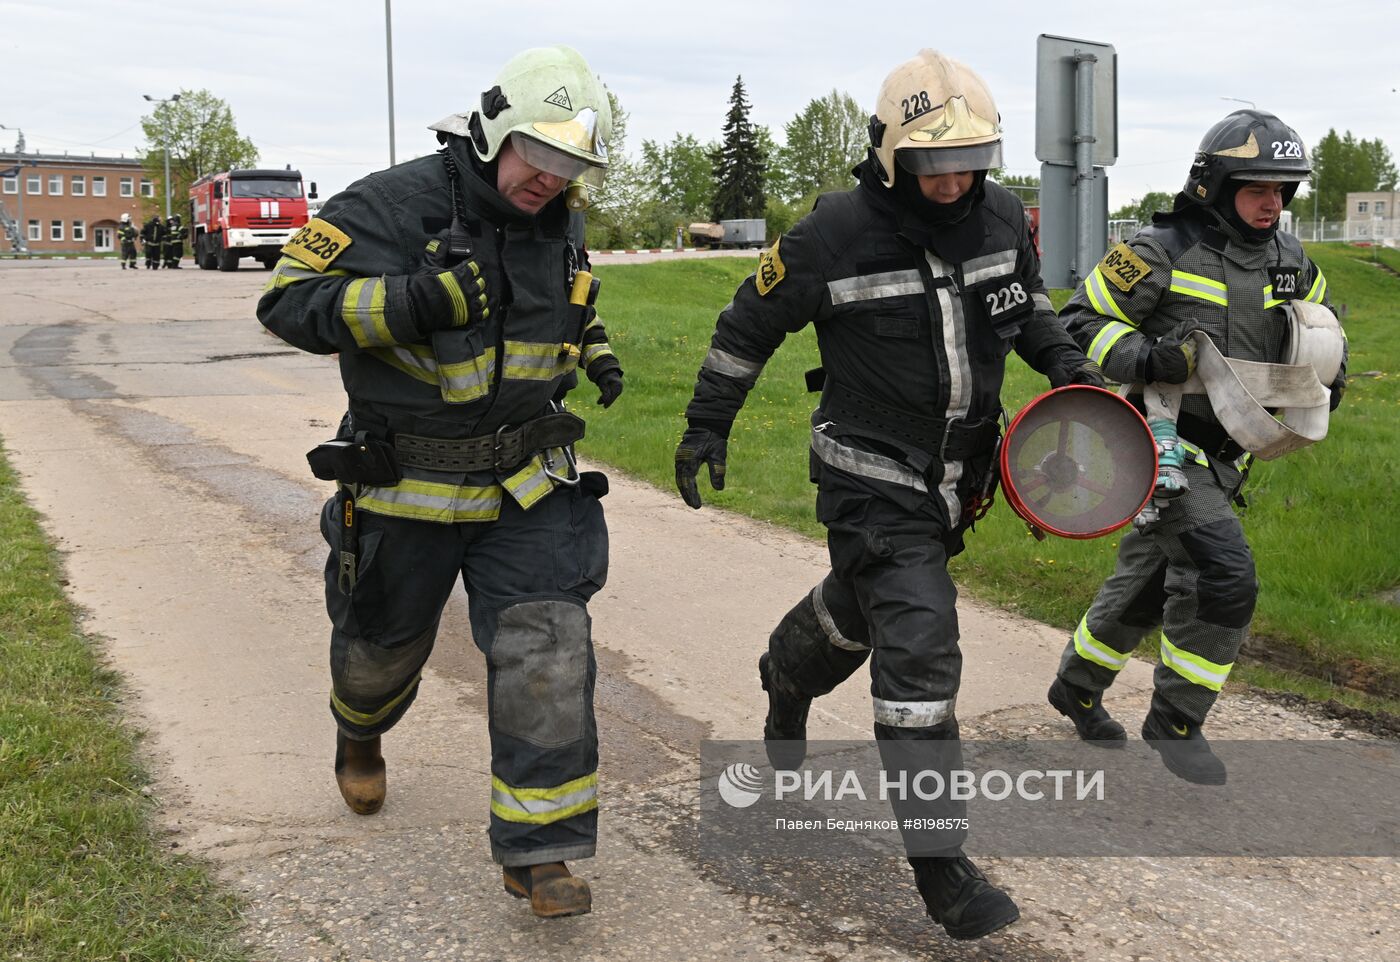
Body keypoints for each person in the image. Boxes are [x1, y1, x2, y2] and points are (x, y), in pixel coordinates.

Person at [674, 50, 1103, 942]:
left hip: (957, 480)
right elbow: (746, 325)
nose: (951, 185)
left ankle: (784, 670)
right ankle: (942, 871)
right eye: (932, 165)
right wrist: (706, 424)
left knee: (860, 612)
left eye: (967, 164)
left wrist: (1065, 362)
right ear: (889, 154)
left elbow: (1023, 310)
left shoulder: (996, 216)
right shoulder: (831, 232)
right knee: (919, 643)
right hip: (869, 474)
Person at [257, 44, 621, 920]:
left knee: (548, 649)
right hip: (402, 489)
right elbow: (285, 302)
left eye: (573, 165)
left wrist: (596, 348)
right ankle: (360, 730)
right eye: (541, 157)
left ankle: (541, 856)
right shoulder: (388, 204)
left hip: (526, 486)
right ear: (495, 130)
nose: (552, 179)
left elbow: (564, 301)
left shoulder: (559, 216)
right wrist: (414, 301)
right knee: (379, 654)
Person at [1044, 109, 1343, 784]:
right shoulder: (1157, 250)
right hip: (1157, 443)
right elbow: (1077, 322)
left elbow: (1321, 330)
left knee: (1149, 583)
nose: (1274, 203)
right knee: (1223, 575)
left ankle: (1077, 685)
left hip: (1231, 452)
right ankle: (1176, 718)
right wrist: (1148, 357)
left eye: (1284, 189)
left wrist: (1332, 375)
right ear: (1216, 186)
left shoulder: (1290, 258)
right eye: (1258, 188)